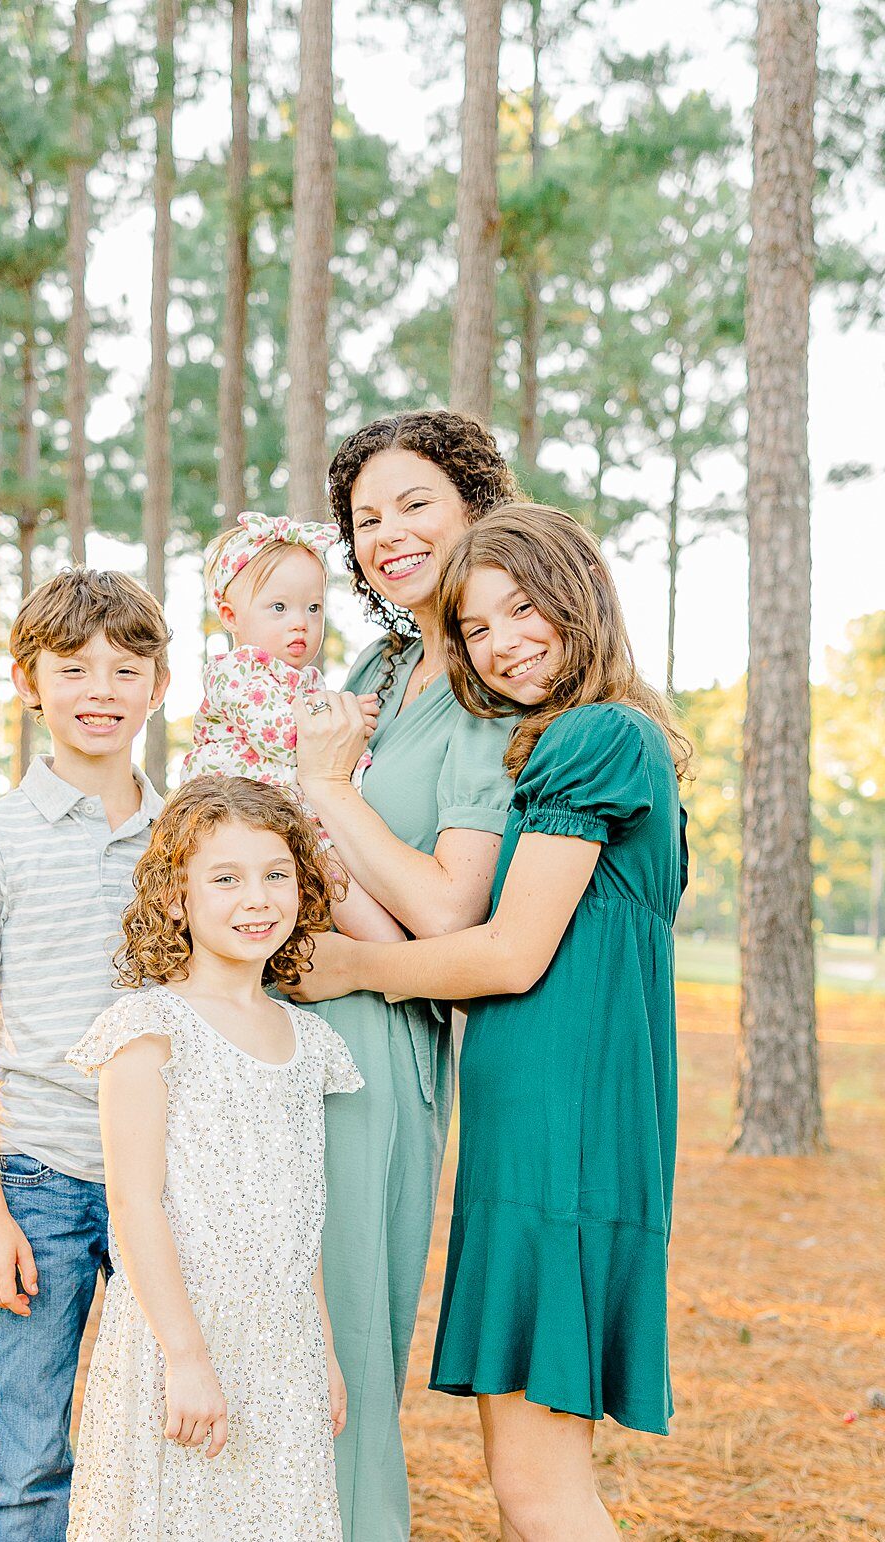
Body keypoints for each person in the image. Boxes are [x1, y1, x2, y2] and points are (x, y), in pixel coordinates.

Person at [290, 504, 690, 1540]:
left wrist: (355, 971)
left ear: (582, 601)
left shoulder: (600, 737)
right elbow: (480, 960)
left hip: (568, 1138)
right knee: (531, 1485)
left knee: (539, 1493)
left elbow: (508, 956)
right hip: (530, 1135)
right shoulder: (558, 748)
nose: (505, 641)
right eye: (476, 627)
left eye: (526, 609)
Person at [285, 410, 521, 1542]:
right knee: (259, 1323)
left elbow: (449, 905)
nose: (386, 534)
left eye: (413, 503)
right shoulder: (380, 666)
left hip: (378, 1046)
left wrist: (327, 796)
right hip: (283, 1022)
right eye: (365, 519)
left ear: (477, 504)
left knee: (342, 1338)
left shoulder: (494, 680)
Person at [0, 568, 171, 1542]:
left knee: (166, 1434)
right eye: (72, 669)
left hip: (169, 1174)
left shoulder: (187, 834)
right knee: (26, 1451)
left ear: (160, 686)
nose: (99, 690)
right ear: (28, 683)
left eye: (124, 668)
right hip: (41, 1177)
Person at [65, 776, 364, 1541]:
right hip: (183, 1336)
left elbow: (302, 1218)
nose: (256, 898)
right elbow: (133, 1207)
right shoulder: (149, 1028)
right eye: (225, 879)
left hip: (281, 1345)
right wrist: (187, 1358)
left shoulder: (309, 1044)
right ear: (176, 897)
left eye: (275, 875)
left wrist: (322, 1350)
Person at [181, 510, 402, 942]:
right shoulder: (235, 671)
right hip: (250, 815)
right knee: (334, 876)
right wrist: (346, 719)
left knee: (343, 870)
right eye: (278, 608)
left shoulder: (309, 681)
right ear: (229, 614)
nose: (299, 622)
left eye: (313, 607)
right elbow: (281, 737)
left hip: (294, 812)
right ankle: (398, 959)